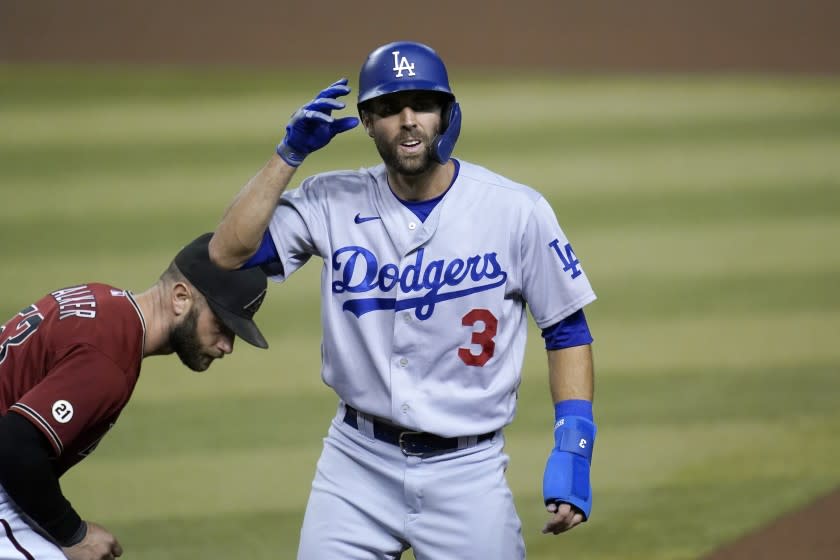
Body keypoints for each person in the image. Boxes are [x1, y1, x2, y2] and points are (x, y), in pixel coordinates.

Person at [209, 40, 597, 559]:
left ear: (447, 113)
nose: (407, 120)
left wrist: (574, 446)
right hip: (355, 466)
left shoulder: (515, 211)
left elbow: (566, 329)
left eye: (422, 103)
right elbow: (228, 252)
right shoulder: (330, 201)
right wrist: (289, 155)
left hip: (468, 473)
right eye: (389, 108)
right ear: (367, 122)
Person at [0, 232, 269, 560]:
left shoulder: (104, 302)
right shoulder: (109, 359)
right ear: (181, 298)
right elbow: (14, 443)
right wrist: (75, 534)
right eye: (222, 325)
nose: (227, 345)